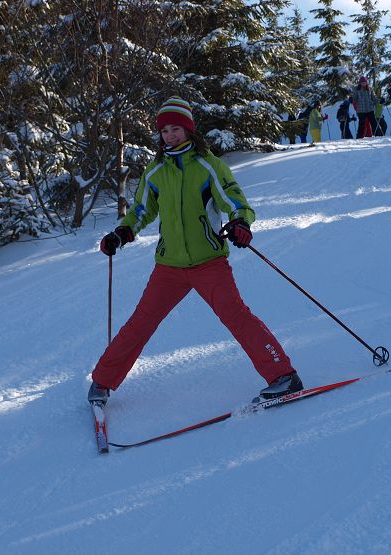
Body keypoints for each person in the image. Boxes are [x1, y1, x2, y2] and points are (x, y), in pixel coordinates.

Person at [87, 96, 303, 407]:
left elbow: (235, 200)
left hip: (208, 262)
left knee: (236, 316)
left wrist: (240, 222)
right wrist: (122, 233)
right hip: (169, 266)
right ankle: (102, 381)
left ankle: (283, 376)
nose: (170, 136)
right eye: (165, 131)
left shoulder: (208, 165)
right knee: (141, 322)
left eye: (176, 129)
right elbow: (141, 210)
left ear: (188, 130)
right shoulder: (156, 170)